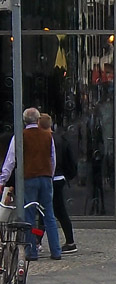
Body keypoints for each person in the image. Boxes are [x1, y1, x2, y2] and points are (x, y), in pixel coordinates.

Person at [0, 108, 61, 260]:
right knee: (49, 214)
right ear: (38, 119)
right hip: (45, 177)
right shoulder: (48, 136)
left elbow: (11, 161)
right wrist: (49, 176)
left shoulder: (20, 136)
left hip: (29, 178)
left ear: (24, 120)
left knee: (28, 214)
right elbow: (52, 159)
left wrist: (2, 180)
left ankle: (31, 251)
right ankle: (56, 250)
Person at [41, 115, 78, 254]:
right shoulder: (61, 139)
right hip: (59, 177)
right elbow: (70, 160)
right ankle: (69, 240)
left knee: (47, 210)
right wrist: (68, 175)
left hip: (49, 177)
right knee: (56, 210)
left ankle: (69, 241)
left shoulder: (45, 139)